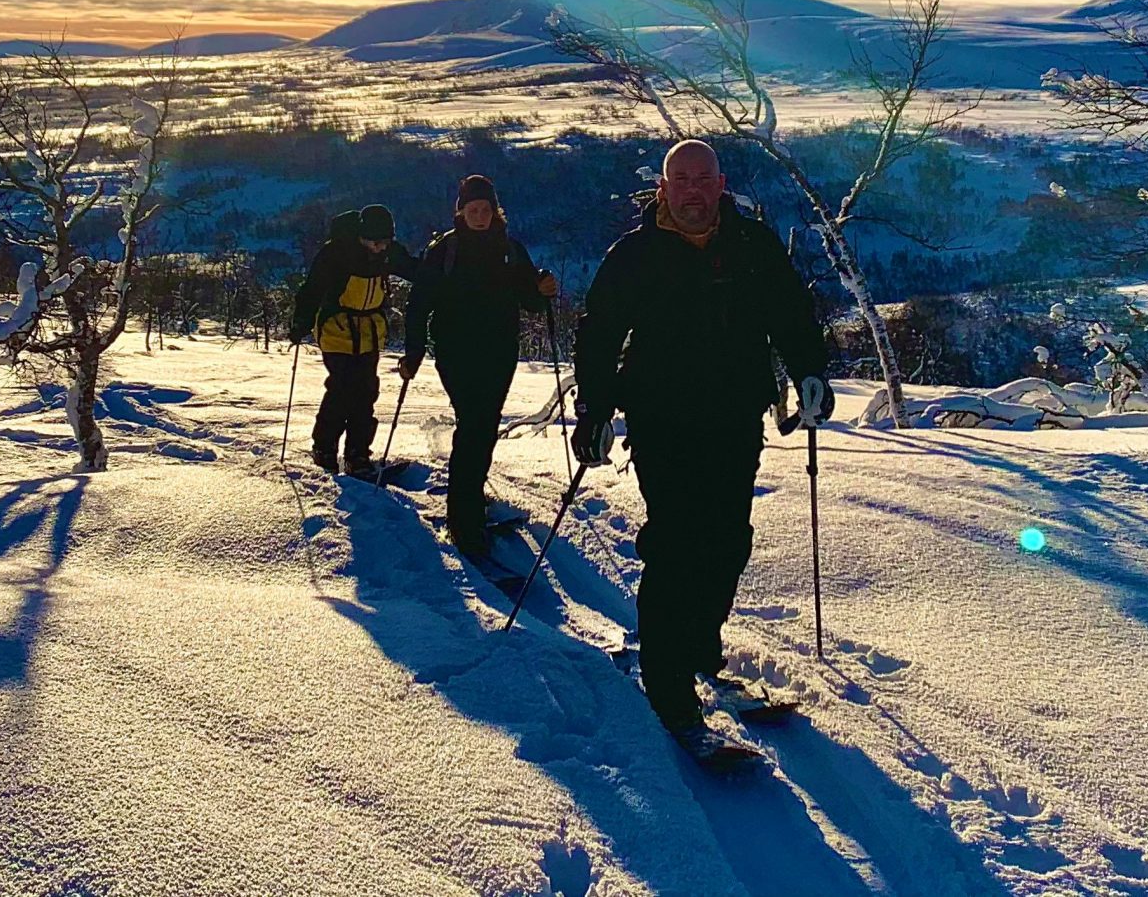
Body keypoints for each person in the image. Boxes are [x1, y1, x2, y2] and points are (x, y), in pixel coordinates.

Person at [572, 139, 831, 749]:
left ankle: (698, 648)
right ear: (664, 190)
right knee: (674, 543)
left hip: (735, 415)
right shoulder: (636, 254)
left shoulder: (753, 247)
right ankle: (667, 683)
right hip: (661, 419)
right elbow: (601, 332)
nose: (691, 189)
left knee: (728, 541)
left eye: (701, 178)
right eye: (679, 179)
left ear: (720, 185)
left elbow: (792, 316)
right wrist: (595, 408)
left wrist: (810, 372)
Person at [400, 174, 559, 553]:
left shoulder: (510, 249)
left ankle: (469, 495)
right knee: (474, 425)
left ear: (494, 211)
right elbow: (420, 304)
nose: (480, 216)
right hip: (456, 353)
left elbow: (530, 301)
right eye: (473, 209)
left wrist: (542, 289)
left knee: (484, 427)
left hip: (500, 353)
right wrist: (414, 352)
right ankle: (464, 516)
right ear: (461, 211)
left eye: (485, 209)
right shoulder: (445, 251)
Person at [292, 203, 420, 478]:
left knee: (366, 392)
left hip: (370, 333)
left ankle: (357, 455)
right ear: (361, 236)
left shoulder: (388, 254)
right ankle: (325, 448)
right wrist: (300, 322)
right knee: (342, 389)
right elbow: (312, 289)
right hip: (336, 329)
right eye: (374, 242)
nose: (380, 248)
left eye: (385, 242)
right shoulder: (337, 253)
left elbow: (415, 270)